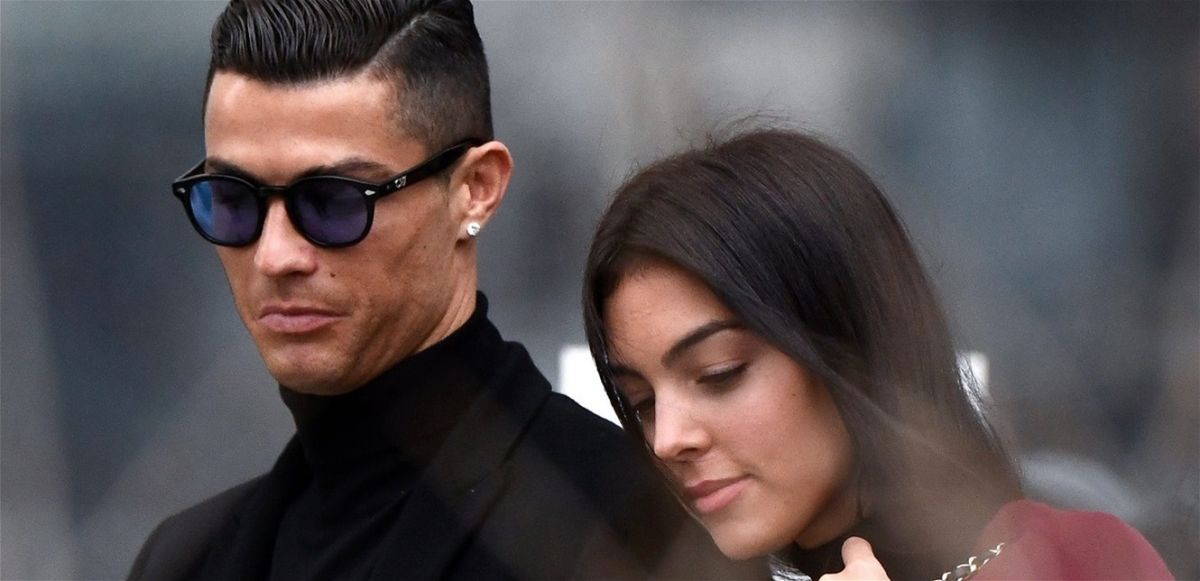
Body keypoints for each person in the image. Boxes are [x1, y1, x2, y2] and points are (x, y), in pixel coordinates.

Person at [128, 1, 754, 579]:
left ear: (476, 189)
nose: (275, 256)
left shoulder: (632, 528)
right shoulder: (185, 559)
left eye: (335, 202)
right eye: (232, 200)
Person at [582, 128, 1175, 580]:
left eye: (719, 374)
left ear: (848, 342)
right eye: (642, 402)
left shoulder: (1075, 562)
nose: (668, 440)